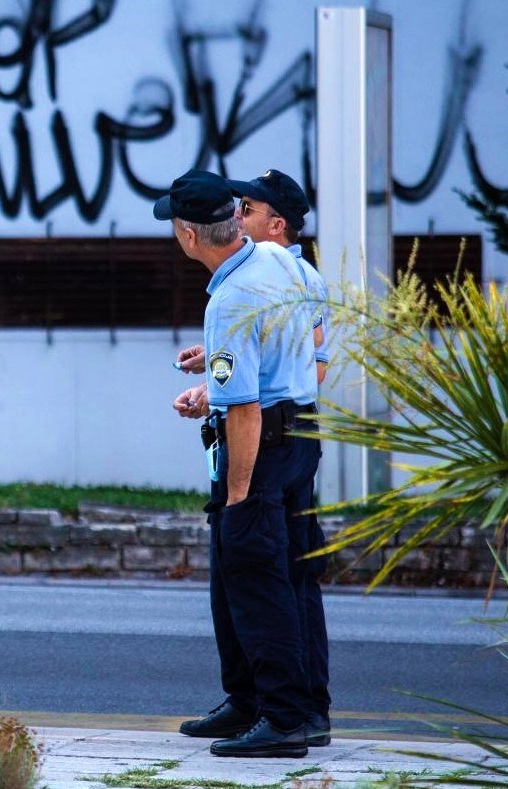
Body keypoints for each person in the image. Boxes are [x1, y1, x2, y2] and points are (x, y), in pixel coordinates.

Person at [155, 168, 320, 758]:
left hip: (262, 449)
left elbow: (244, 407)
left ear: (189, 235)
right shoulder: (277, 260)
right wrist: (222, 371)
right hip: (300, 434)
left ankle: (283, 718)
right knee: (285, 576)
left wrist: (239, 494)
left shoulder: (230, 297)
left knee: (255, 575)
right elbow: (311, 314)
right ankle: (268, 704)